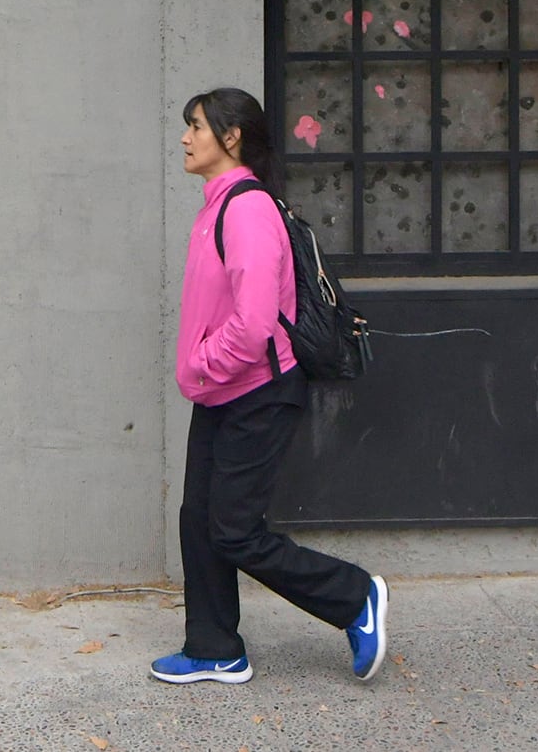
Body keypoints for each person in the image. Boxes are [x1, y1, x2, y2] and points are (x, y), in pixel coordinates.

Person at [149, 87, 387, 686]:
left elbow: (254, 323)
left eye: (196, 126)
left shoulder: (247, 209)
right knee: (199, 521)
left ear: (231, 138)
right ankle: (213, 648)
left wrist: (204, 363)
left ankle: (354, 597)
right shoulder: (217, 205)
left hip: (258, 390)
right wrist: (206, 374)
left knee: (233, 530)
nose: (185, 137)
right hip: (223, 390)